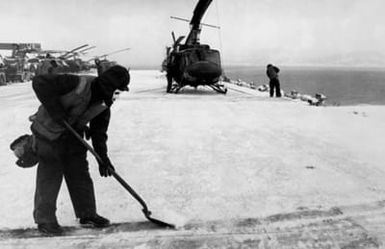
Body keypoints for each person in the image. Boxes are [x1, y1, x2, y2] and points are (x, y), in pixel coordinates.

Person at [29, 65, 130, 235]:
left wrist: (102, 158)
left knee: (80, 174)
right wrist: (56, 110)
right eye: (116, 90)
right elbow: (39, 82)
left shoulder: (103, 104)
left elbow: (99, 133)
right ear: (108, 85)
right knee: (50, 175)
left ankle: (87, 214)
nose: (115, 94)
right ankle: (45, 220)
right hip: (48, 133)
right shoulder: (76, 82)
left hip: (72, 136)